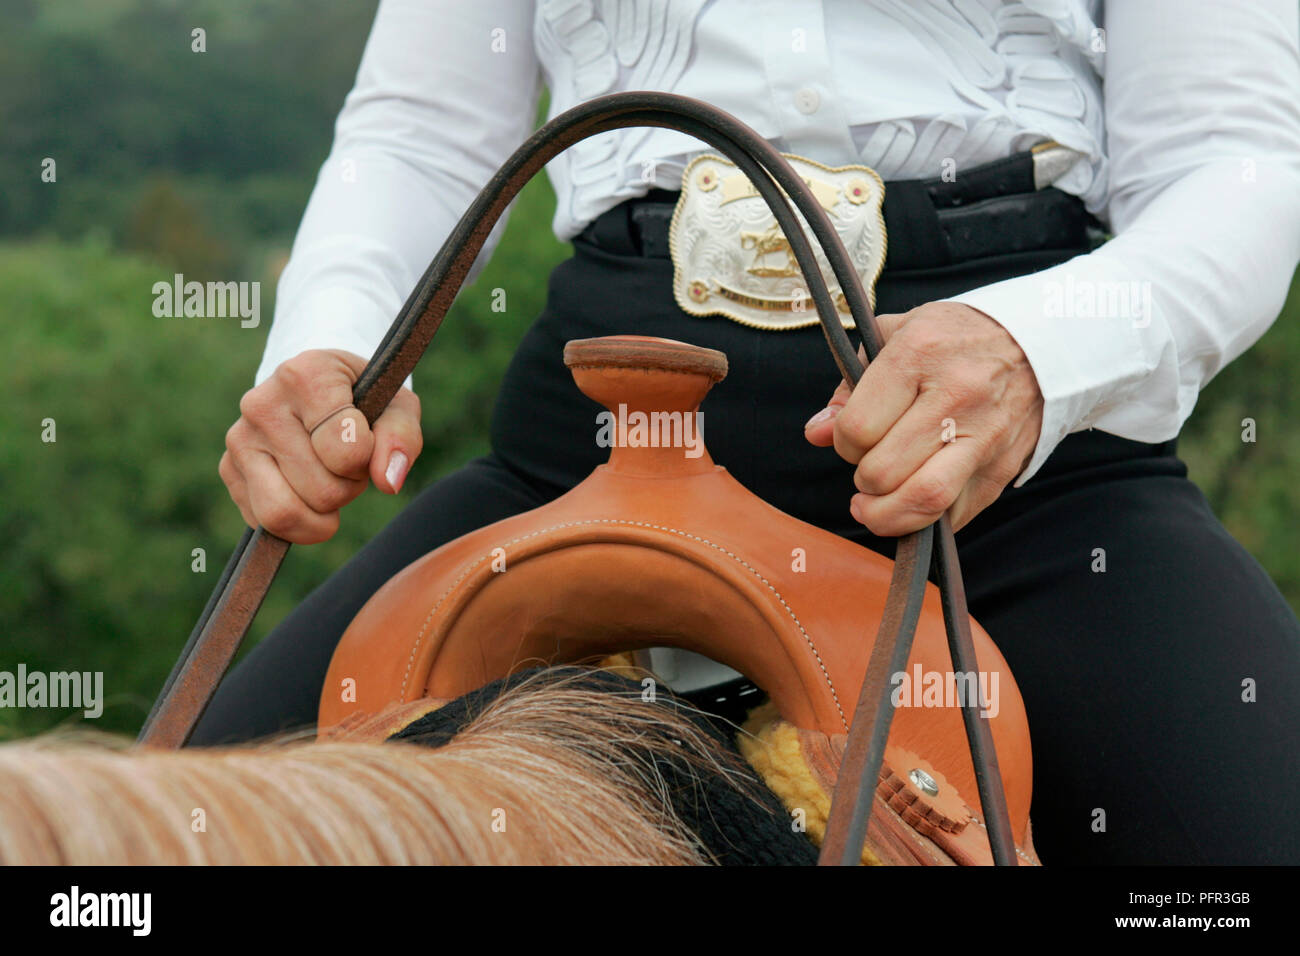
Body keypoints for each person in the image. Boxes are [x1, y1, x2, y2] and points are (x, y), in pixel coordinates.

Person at [192, 0, 1300, 865]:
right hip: (588, 425)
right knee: (166, 842)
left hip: (1014, 450)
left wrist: (1030, 354)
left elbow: (1235, 161)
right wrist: (334, 345)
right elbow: (420, 131)